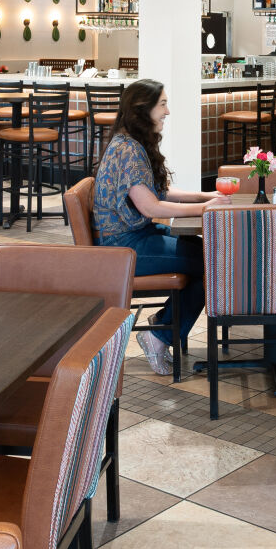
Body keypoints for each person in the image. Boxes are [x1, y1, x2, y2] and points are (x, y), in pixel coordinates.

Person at [92, 78, 230, 375]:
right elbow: (150, 207)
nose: (167, 112)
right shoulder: (128, 151)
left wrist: (205, 195)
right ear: (143, 110)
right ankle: (159, 336)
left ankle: (161, 329)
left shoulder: (130, 143)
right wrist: (204, 208)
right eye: (163, 104)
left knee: (206, 256)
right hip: (124, 248)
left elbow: (160, 192)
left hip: (133, 237)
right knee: (212, 261)